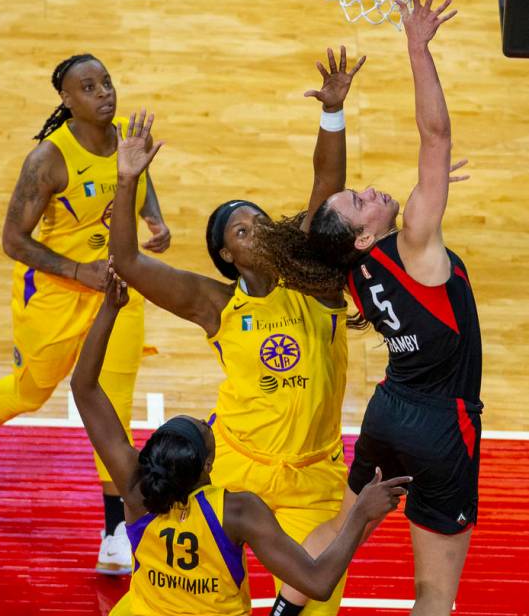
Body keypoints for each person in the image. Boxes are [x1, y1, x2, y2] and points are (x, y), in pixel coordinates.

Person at [108, 47, 366, 616]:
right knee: (208, 594)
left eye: (260, 219)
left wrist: (332, 113)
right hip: (232, 465)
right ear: (227, 253)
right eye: (243, 229)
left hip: (312, 475)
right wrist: (127, 180)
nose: (259, 229)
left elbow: (328, 181)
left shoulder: (315, 281)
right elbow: (126, 259)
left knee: (319, 601)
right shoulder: (215, 304)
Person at [256, 0, 481, 616]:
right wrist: (416, 44)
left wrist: (426, 197)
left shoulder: (347, 270)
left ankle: (283, 610)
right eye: (359, 199)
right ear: (361, 233)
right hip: (442, 426)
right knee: (435, 595)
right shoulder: (412, 242)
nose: (368, 189)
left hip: (389, 416)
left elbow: (332, 225)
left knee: (343, 528)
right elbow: (435, 135)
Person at [0, 53, 171, 574]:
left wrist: (152, 218)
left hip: (114, 291)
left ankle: (115, 526)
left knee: (112, 403)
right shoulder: (48, 160)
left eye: (107, 82)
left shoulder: (122, 137)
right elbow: (12, 241)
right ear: (67, 100)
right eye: (89, 87)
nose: (104, 93)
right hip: (53, 293)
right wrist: (75, 269)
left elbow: (134, 178)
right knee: (33, 389)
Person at [70, 266, 411, 616]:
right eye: (206, 426)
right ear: (208, 466)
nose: (207, 420)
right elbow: (318, 581)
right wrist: (360, 515)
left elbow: (83, 388)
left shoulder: (136, 489)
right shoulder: (236, 510)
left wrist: (109, 309)